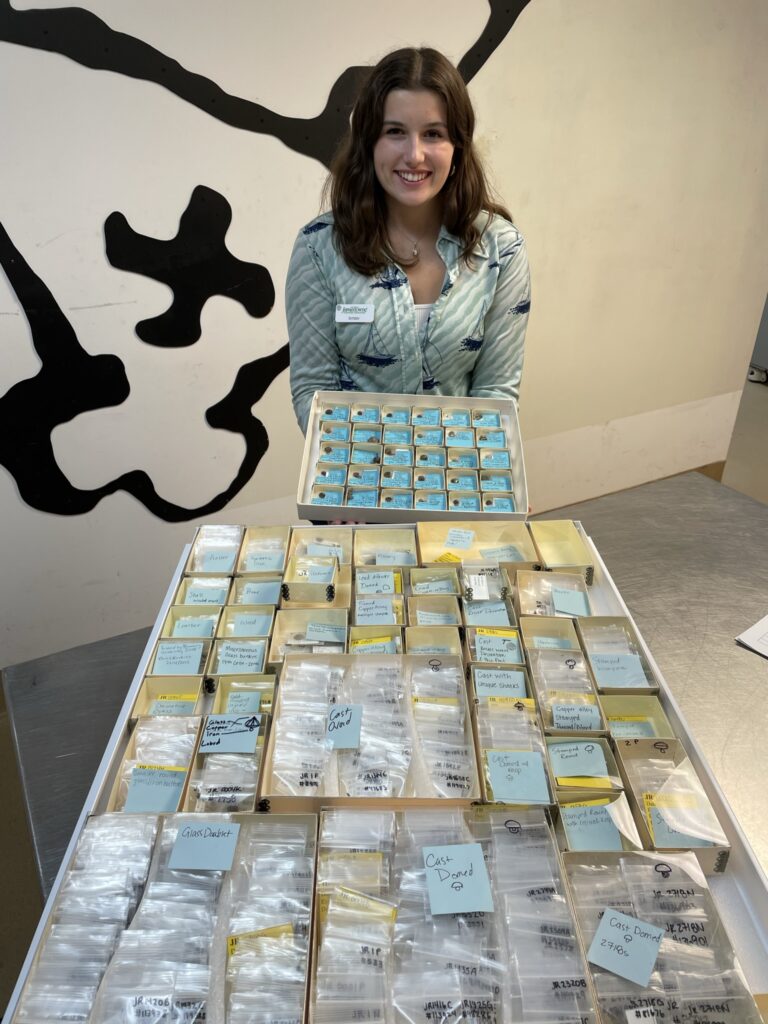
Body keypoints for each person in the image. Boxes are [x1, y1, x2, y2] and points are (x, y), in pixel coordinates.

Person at [287, 46, 530, 435]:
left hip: (457, 481)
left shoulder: (502, 248)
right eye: (395, 131)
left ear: (458, 146)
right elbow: (314, 394)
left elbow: (495, 396)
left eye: (433, 134)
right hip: (355, 482)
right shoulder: (318, 249)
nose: (414, 155)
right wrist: (385, 487)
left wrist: (490, 490)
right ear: (369, 142)